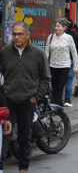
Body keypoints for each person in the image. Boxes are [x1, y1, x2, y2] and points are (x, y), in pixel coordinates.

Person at [0, 21, 50, 173]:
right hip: (9, 101)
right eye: (14, 34)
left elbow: (45, 78)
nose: (16, 37)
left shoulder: (37, 53)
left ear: (28, 35)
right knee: (5, 136)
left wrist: (35, 96)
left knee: (24, 137)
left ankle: (23, 168)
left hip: (28, 102)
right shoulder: (5, 52)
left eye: (20, 34)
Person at [45, 18, 78, 107]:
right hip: (53, 65)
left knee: (60, 87)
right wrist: (45, 65)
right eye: (55, 26)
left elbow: (74, 52)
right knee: (54, 87)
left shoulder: (68, 38)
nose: (56, 28)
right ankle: (59, 106)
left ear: (64, 27)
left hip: (64, 65)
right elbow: (47, 51)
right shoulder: (51, 37)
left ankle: (54, 105)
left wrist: (75, 66)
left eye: (58, 26)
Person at [64, 19, 78, 107]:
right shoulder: (77, 36)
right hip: (72, 61)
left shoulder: (62, 36)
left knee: (60, 82)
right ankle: (67, 100)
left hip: (60, 62)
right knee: (69, 81)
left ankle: (57, 99)